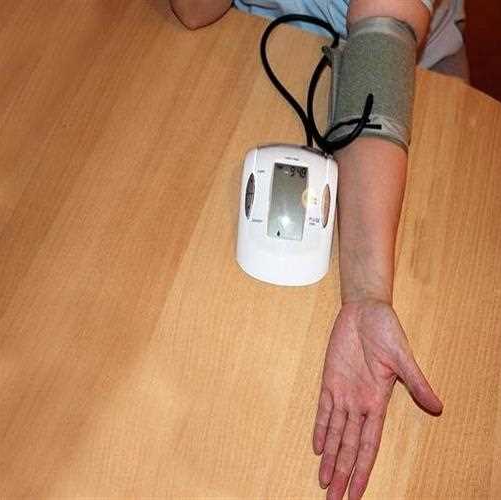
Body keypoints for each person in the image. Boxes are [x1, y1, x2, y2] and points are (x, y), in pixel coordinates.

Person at [170, 1, 462, 499]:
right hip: (256, 40)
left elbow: (379, 53)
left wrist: (367, 295)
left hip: (406, 75)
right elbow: (193, 11)